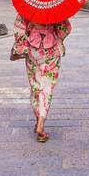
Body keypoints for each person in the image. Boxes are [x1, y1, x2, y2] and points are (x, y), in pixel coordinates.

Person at [10, 14, 72, 142]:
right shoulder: (54, 8)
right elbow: (65, 28)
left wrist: (22, 42)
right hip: (51, 50)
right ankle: (40, 123)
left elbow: (19, 28)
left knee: (35, 85)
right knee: (47, 86)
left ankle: (38, 119)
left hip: (33, 49)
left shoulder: (28, 8)